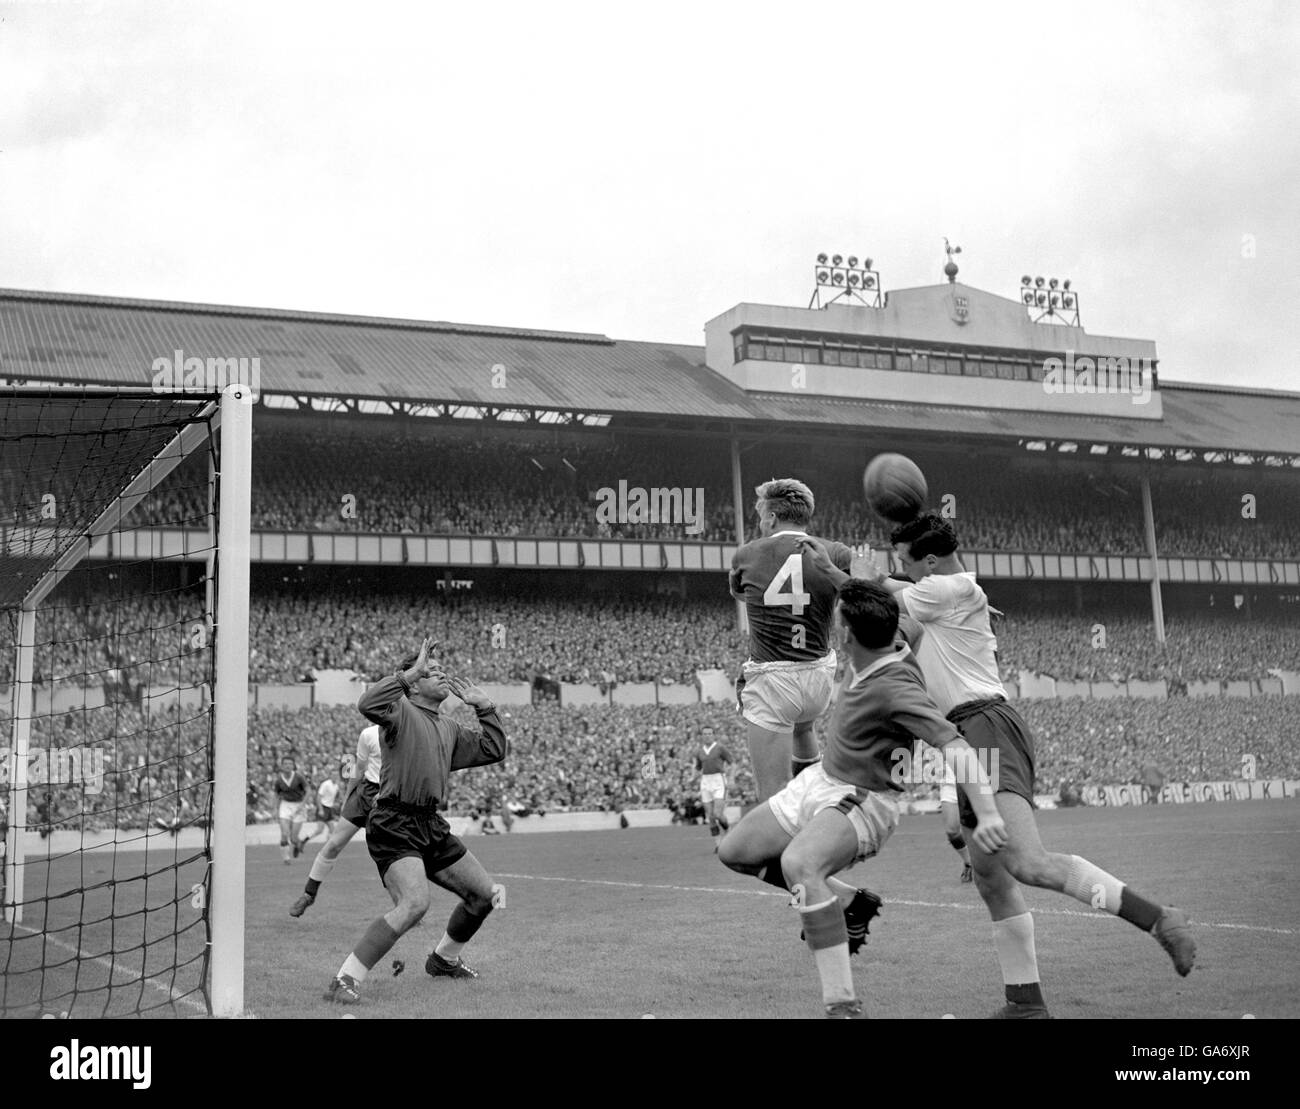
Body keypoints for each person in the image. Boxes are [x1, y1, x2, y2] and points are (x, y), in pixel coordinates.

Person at [858, 514, 1195, 1017]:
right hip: (968, 732)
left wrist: (861, 573)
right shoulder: (947, 595)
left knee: (1028, 862)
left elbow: (882, 596)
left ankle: (1159, 918)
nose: (901, 570)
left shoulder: (947, 587)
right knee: (992, 879)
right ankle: (1026, 1004)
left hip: (984, 725)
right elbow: (899, 612)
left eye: (906, 562)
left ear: (929, 560)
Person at [718, 578, 1008, 1018]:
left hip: (864, 798)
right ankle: (852, 903)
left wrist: (986, 814)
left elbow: (956, 746)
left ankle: (843, 1006)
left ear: (847, 635)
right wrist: (872, 578)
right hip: (820, 780)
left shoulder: (896, 686)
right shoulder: (895, 640)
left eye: (837, 620)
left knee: (800, 865)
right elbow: (913, 621)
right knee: (734, 851)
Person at [324, 638, 509, 1005]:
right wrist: (409, 673)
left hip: (430, 823)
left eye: (442, 671)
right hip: (394, 820)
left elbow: (494, 748)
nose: (441, 676)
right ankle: (343, 980)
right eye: (432, 672)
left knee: (485, 896)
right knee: (414, 904)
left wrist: (485, 707)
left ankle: (443, 960)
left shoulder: (449, 727)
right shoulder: (398, 712)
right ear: (416, 683)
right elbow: (366, 703)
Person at [728, 478, 852, 802]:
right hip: (819, 677)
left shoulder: (747, 554)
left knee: (773, 797)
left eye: (760, 516)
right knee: (803, 727)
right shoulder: (836, 552)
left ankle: (785, 849)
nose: (760, 522)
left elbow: (740, 593)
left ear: (771, 517)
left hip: (775, 679)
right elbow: (865, 586)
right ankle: (819, 804)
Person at [290, 730, 384, 918]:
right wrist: (349, 797)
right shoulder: (369, 733)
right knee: (333, 844)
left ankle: (408, 908)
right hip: (365, 793)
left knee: (393, 856)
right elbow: (358, 768)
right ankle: (309, 894)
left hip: (390, 795)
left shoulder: (409, 729)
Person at [694, 725, 733, 838]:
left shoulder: (720, 748)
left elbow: (733, 763)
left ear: (714, 735)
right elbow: (698, 767)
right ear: (702, 736)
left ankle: (728, 830)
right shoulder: (699, 751)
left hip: (718, 780)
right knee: (710, 816)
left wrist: (731, 778)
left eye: (710, 734)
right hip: (705, 781)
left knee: (717, 814)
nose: (707, 736)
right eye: (705, 734)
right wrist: (693, 777)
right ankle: (718, 844)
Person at [939, 763, 974, 882]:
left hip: (976, 781)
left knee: (980, 826)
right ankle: (969, 862)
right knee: (952, 831)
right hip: (950, 783)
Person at [273, 756, 309, 863]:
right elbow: (276, 794)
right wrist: (276, 808)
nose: (288, 766)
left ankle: (298, 844)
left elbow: (308, 790)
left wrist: (303, 804)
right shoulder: (279, 780)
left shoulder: (299, 777)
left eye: (290, 764)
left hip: (298, 805)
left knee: (293, 837)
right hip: (285, 805)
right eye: (285, 764)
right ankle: (286, 858)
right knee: (284, 833)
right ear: (282, 766)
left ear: (293, 766)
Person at [297, 772, 340, 848]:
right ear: (330, 776)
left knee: (332, 830)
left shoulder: (336, 786)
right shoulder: (326, 784)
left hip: (329, 809)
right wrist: (320, 809)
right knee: (320, 830)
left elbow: (333, 797)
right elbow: (318, 797)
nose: (335, 777)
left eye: (336, 775)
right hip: (323, 807)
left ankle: (328, 847)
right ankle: (303, 841)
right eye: (333, 775)